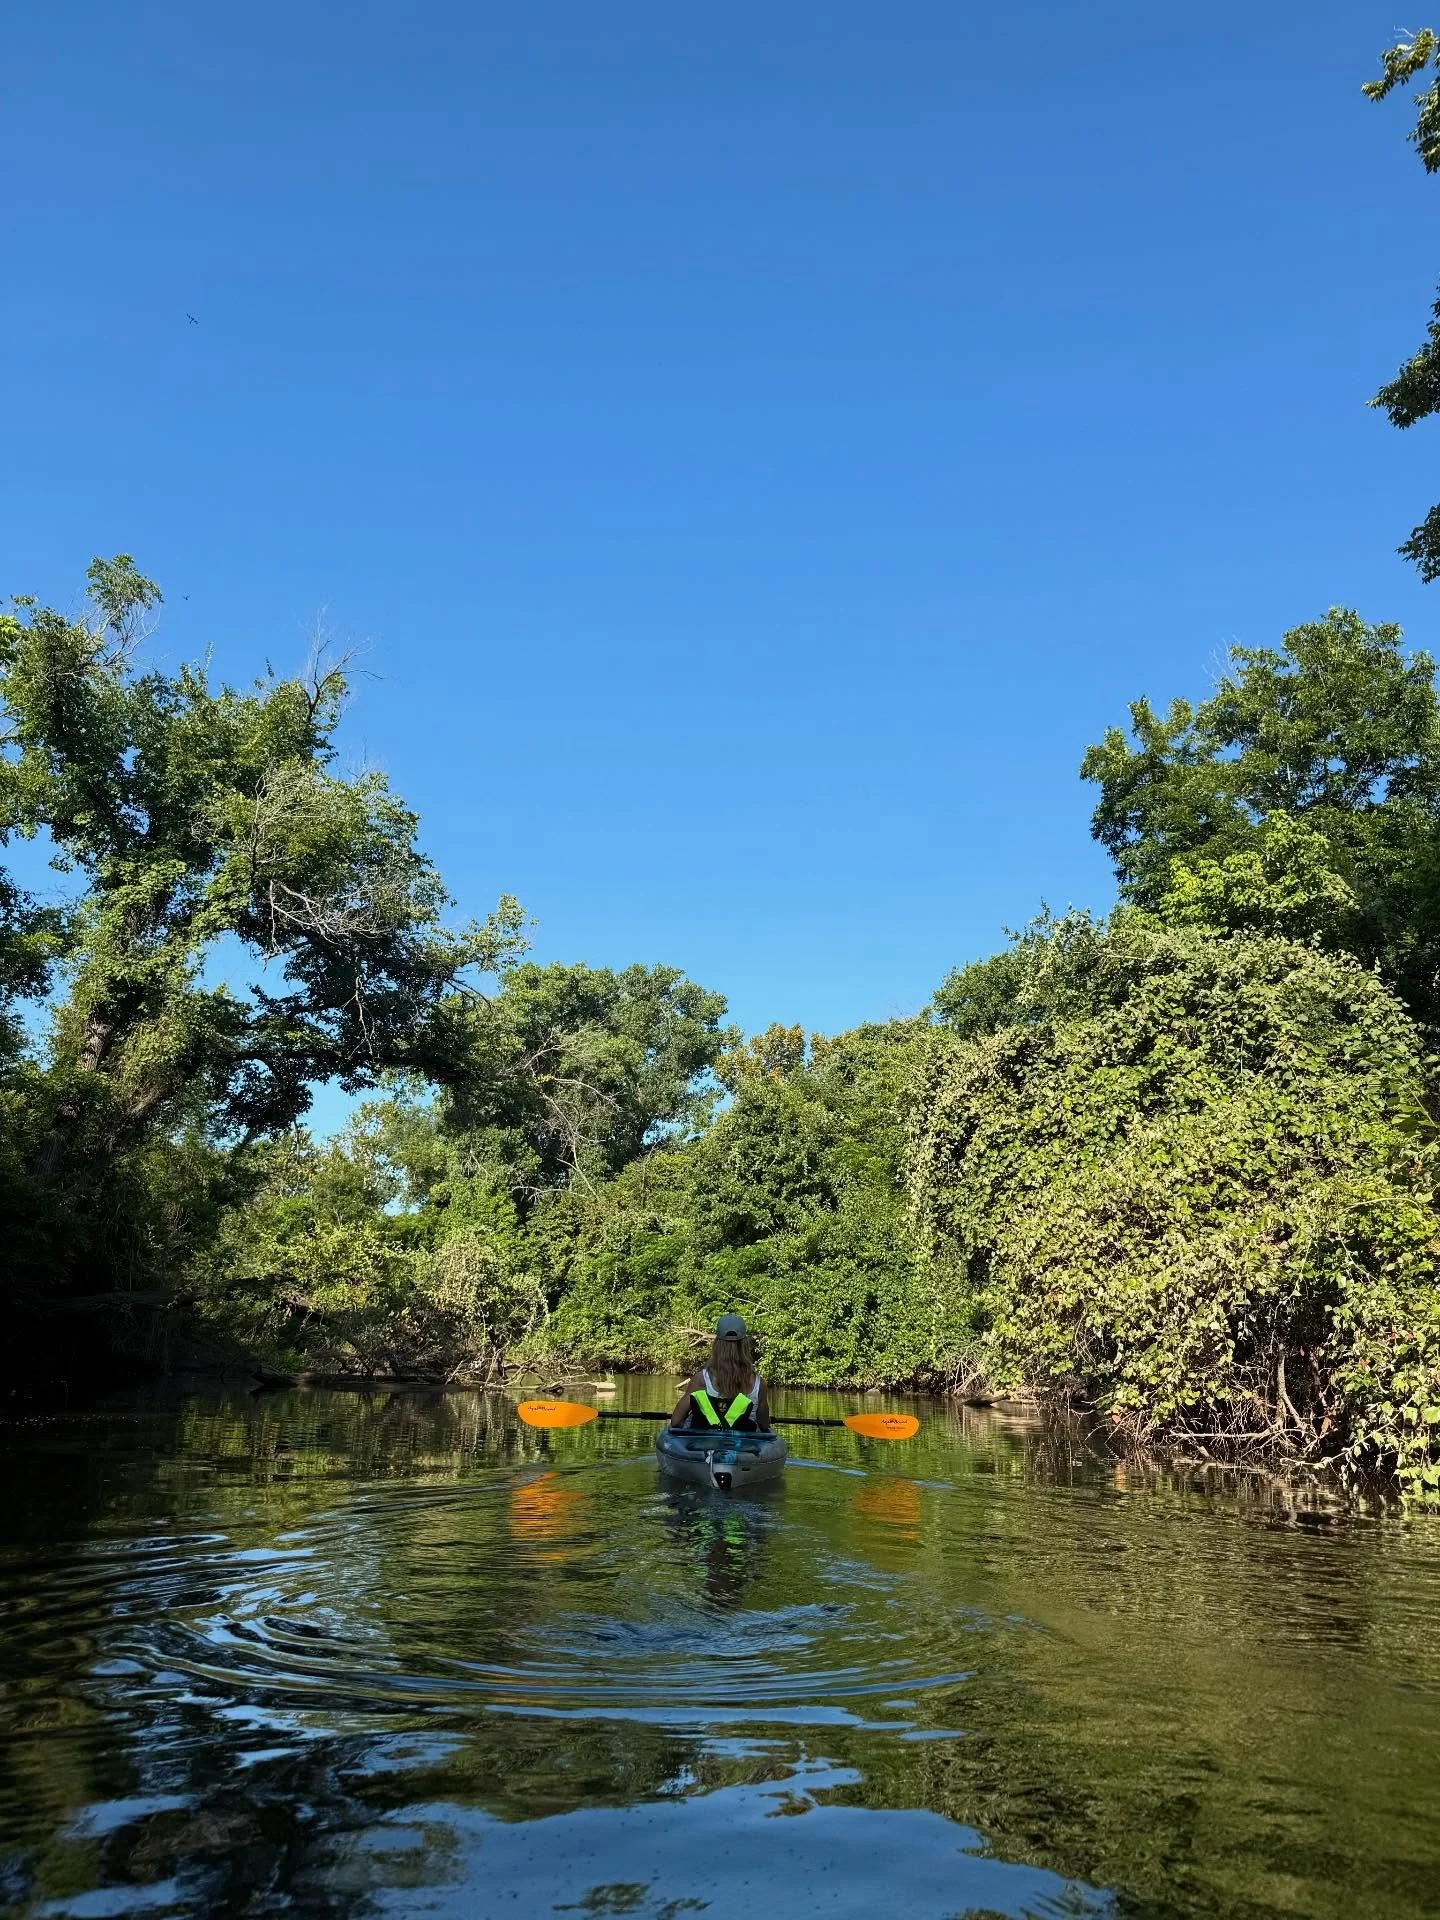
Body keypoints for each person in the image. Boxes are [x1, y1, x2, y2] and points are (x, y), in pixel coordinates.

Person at [670, 1313, 771, 1433]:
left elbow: (676, 1421)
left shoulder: (701, 1380)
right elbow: (764, 1425)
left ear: (717, 1345)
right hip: (743, 1449)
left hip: (706, 1447)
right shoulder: (759, 1385)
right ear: (744, 1345)